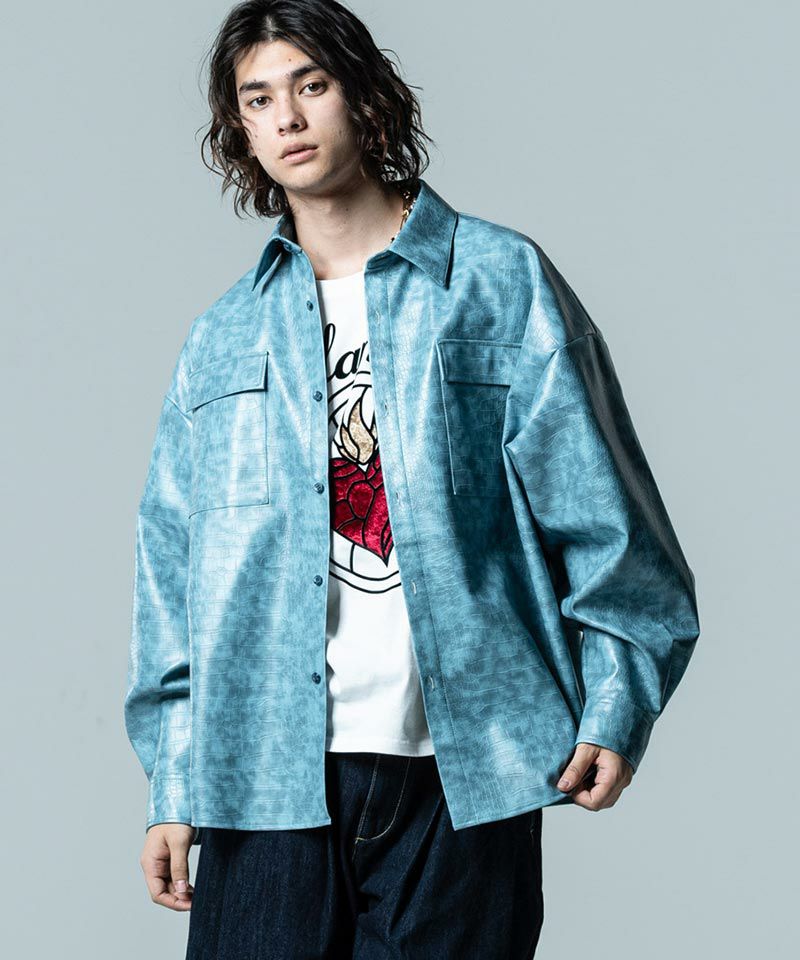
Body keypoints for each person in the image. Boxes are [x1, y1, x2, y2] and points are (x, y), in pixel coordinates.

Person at [124, 1, 700, 957]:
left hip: (463, 776)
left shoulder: (499, 281)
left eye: (311, 85)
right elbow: (173, 574)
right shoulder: (223, 335)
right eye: (258, 99)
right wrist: (174, 783)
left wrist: (617, 700)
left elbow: (607, 516)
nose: (288, 117)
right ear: (240, 130)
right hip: (264, 781)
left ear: (365, 96)